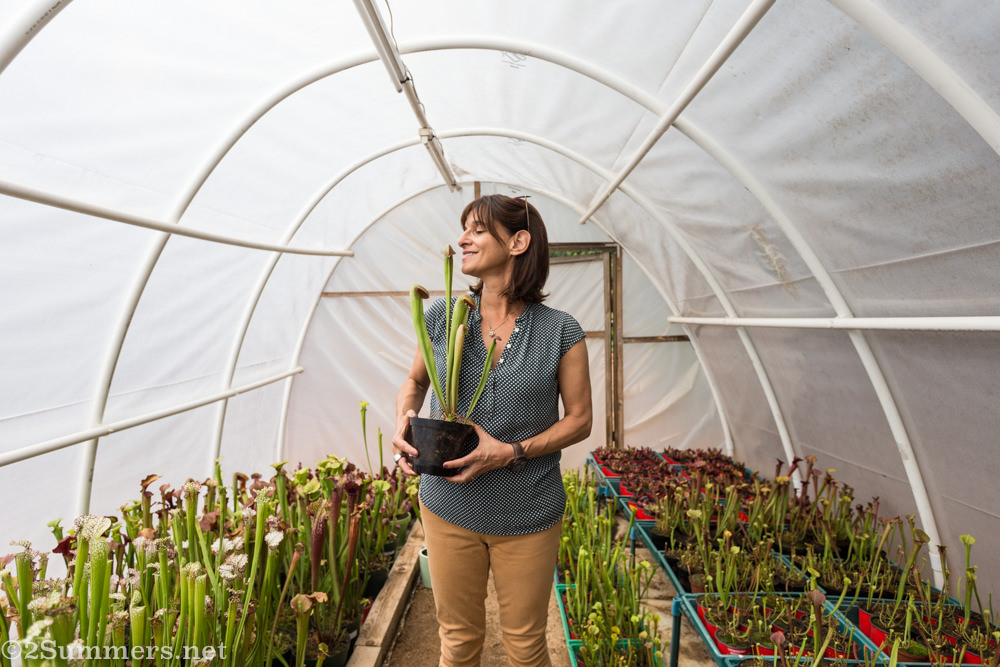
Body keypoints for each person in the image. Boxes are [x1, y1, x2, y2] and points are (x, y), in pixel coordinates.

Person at [392, 194, 593, 667]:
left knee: (525, 645)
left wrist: (511, 451)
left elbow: (580, 419)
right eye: (464, 229)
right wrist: (404, 414)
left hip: (527, 510)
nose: (463, 238)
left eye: (477, 230)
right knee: (458, 641)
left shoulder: (561, 330)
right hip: (447, 504)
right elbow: (416, 381)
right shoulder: (441, 316)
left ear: (518, 241)